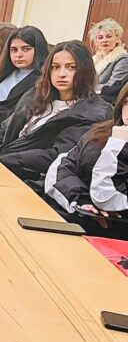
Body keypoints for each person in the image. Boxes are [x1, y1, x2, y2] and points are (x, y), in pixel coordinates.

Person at [0, 40, 111, 181]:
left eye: (71, 67)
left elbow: (55, 155)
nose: (61, 74)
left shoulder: (91, 112)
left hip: (31, 176)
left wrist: (4, 161)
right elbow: (5, 130)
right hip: (3, 162)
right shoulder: (37, 95)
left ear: (85, 71)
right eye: (55, 67)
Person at [45, 84, 128, 238]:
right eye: (127, 102)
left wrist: (117, 147)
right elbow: (61, 166)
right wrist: (80, 199)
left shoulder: (117, 141)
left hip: (112, 236)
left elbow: (107, 197)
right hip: (75, 216)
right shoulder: (102, 133)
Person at [89, 18, 128, 103]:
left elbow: (113, 87)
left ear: (117, 38)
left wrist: (85, 89)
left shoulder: (123, 59)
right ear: (96, 42)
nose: (104, 40)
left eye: (109, 36)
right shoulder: (93, 60)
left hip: (104, 102)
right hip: (88, 97)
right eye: (100, 37)